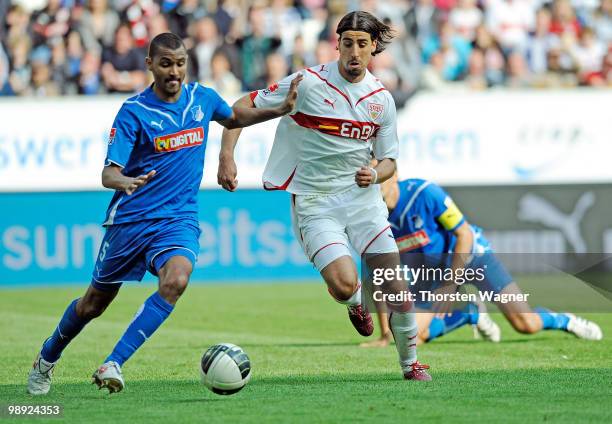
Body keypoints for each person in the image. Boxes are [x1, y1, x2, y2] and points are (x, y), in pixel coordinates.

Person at [27, 32, 301, 395]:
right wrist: (124, 181)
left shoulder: (202, 99)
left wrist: (278, 110)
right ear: (150, 65)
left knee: (177, 280)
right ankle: (46, 359)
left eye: (181, 63)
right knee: (93, 304)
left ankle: (114, 362)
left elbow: (234, 117)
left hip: (177, 219)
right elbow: (108, 172)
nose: (175, 71)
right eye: (167, 64)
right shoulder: (134, 112)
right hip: (131, 222)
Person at [218, 11, 431, 381]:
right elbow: (238, 108)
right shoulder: (309, 83)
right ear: (337, 44)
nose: (353, 51)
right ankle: (355, 303)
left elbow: (390, 161)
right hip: (316, 203)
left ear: (373, 48)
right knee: (346, 283)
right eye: (347, 43)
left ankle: (410, 365)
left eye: (362, 44)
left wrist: (375, 172)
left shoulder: (381, 100)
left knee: (395, 281)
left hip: (363, 202)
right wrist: (226, 156)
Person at [361, 174, 603, 348]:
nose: (373, 179)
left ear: (393, 173)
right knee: (411, 337)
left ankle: (565, 320)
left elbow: (464, 233)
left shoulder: (425, 193)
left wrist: (450, 284)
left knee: (526, 324)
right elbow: (379, 277)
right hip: (432, 273)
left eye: (377, 172)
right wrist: (385, 334)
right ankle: (468, 313)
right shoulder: (373, 217)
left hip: (474, 258)